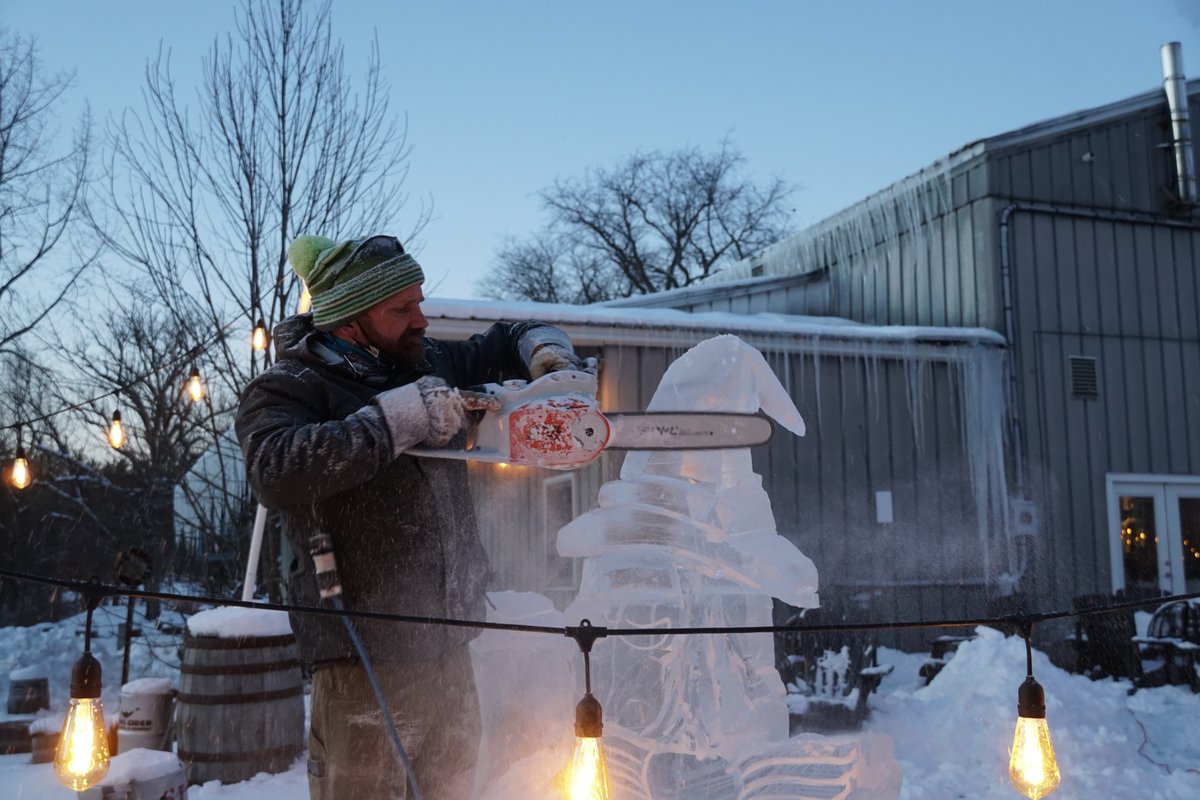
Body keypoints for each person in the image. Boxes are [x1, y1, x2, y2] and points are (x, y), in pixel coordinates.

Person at [234, 234, 590, 800]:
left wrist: (548, 354)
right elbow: (274, 468)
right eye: (402, 310)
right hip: (360, 661)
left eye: (419, 301)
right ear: (349, 321)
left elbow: (509, 335)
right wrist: (395, 420)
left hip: (447, 645)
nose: (421, 320)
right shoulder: (290, 387)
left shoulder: (428, 360)